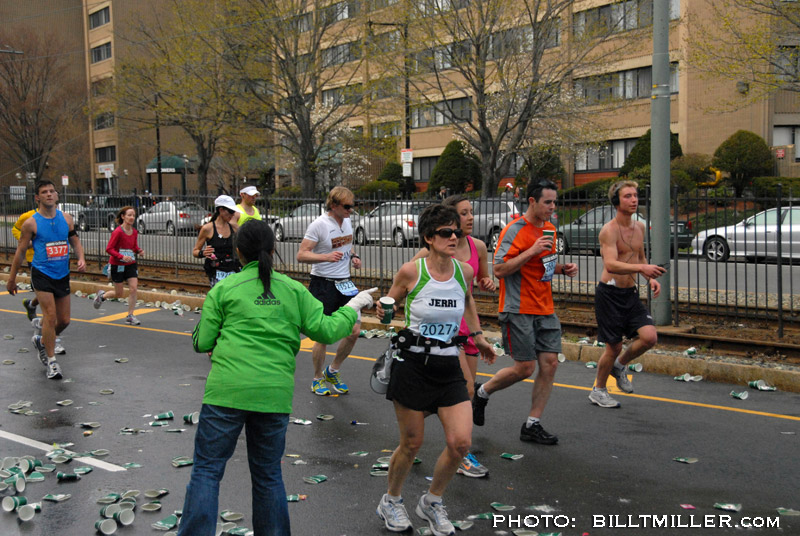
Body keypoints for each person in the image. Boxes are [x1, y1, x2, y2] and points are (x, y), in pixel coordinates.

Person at [178, 219, 375, 536]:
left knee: (207, 470)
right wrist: (353, 306)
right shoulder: (293, 290)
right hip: (274, 396)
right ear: (273, 250)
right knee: (268, 474)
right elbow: (326, 329)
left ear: (239, 253)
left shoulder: (224, 289)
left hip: (226, 393)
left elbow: (201, 342)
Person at [376, 204, 496, 536]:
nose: (454, 236)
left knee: (460, 443)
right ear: (429, 238)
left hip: (448, 363)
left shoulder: (464, 272)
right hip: (413, 364)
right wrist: (384, 311)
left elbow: (468, 302)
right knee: (411, 444)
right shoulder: (411, 271)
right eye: (446, 232)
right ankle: (391, 500)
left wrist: (478, 338)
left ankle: (431, 501)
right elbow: (390, 305)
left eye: (457, 231)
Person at [472, 180, 578, 445]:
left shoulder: (551, 230)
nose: (553, 207)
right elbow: (498, 270)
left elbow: (544, 267)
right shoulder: (514, 229)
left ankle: (533, 424)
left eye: (555, 202)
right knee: (525, 367)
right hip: (518, 307)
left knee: (550, 364)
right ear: (532, 201)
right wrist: (531, 250)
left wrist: (562, 269)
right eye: (547, 202)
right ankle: (482, 392)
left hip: (545, 307)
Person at [410, 195, 495, 479]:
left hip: (467, 328)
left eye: (471, 213)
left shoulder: (478, 247)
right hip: (443, 334)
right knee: (467, 388)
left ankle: (411, 433)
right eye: (463, 214)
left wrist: (487, 282)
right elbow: (412, 283)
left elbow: (475, 286)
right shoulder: (428, 254)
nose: (468, 219)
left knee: (463, 392)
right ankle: (462, 452)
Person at [589, 181, 666, 408]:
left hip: (629, 293)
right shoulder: (609, 231)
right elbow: (611, 264)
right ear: (616, 202)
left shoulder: (639, 228)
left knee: (650, 337)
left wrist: (650, 278)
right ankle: (598, 390)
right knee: (613, 346)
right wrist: (642, 269)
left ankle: (620, 365)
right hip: (609, 294)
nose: (634, 200)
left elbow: (640, 258)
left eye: (635, 196)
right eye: (627, 196)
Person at [6, 180, 86, 380]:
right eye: (44, 192)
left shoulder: (66, 219)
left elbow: (75, 241)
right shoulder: (31, 223)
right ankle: (52, 362)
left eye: (52, 191)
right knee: (49, 317)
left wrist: (81, 258)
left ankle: (43, 340)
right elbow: (21, 251)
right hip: (41, 272)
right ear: (37, 197)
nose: (49, 194)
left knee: (64, 320)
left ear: (57, 195)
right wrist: (11, 279)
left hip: (62, 273)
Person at [296, 186, 362, 396]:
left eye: (353, 206)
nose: (351, 210)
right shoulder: (320, 225)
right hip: (323, 284)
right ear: (333, 205)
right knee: (323, 336)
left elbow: (347, 245)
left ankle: (333, 370)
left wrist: (353, 256)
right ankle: (317, 378)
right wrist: (325, 257)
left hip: (345, 283)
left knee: (354, 331)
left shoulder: (348, 221)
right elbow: (301, 255)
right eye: (347, 206)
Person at [93, 206, 144, 325]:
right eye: (129, 215)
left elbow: (133, 247)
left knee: (133, 288)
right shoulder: (118, 232)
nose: (132, 218)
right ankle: (102, 296)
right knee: (119, 293)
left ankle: (130, 315)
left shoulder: (134, 232)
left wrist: (139, 251)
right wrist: (121, 257)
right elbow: (109, 249)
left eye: (133, 216)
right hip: (118, 265)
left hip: (130, 264)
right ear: (123, 217)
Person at [192, 195, 242, 288]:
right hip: (216, 272)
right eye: (230, 211)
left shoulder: (234, 228)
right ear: (221, 210)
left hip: (233, 270)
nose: (232, 215)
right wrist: (203, 253)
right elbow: (195, 251)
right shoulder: (208, 229)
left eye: (233, 212)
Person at [12, 208, 39, 321]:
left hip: (52, 260)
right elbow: (15, 229)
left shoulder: (58, 217)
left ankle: (31, 305)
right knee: (42, 290)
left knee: (51, 290)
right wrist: (26, 241)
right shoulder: (28, 216)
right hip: (34, 258)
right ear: (37, 198)